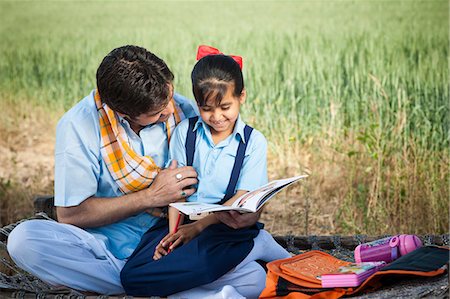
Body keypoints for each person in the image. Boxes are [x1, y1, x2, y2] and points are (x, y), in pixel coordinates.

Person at [6, 45, 267, 296]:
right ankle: (154, 283)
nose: (170, 110)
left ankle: (145, 283)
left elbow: (230, 173)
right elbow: (71, 215)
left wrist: (244, 211)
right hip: (103, 249)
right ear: (123, 113)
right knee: (24, 241)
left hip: (170, 237)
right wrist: (150, 197)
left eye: (170, 96)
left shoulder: (183, 110)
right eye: (157, 112)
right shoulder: (78, 127)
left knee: (253, 281)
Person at [120, 45, 290, 298]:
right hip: (183, 223)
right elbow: (175, 193)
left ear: (241, 96)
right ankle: (243, 279)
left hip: (226, 228)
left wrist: (198, 229)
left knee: (201, 264)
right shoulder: (184, 133)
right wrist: (173, 234)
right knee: (132, 277)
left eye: (225, 107)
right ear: (197, 102)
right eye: (207, 108)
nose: (216, 117)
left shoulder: (253, 141)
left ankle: (256, 245)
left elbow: (243, 198)